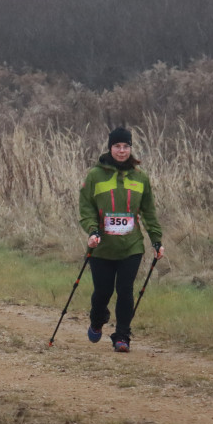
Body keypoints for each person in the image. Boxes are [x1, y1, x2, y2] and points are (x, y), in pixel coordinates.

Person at [79, 126, 164, 353]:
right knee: (102, 293)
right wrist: (92, 231)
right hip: (102, 247)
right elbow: (86, 208)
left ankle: (122, 336)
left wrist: (156, 240)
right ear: (110, 148)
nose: (122, 150)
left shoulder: (141, 177)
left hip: (131, 246)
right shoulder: (95, 175)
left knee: (125, 290)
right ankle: (98, 320)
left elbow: (149, 212)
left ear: (130, 149)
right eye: (117, 146)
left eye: (126, 146)